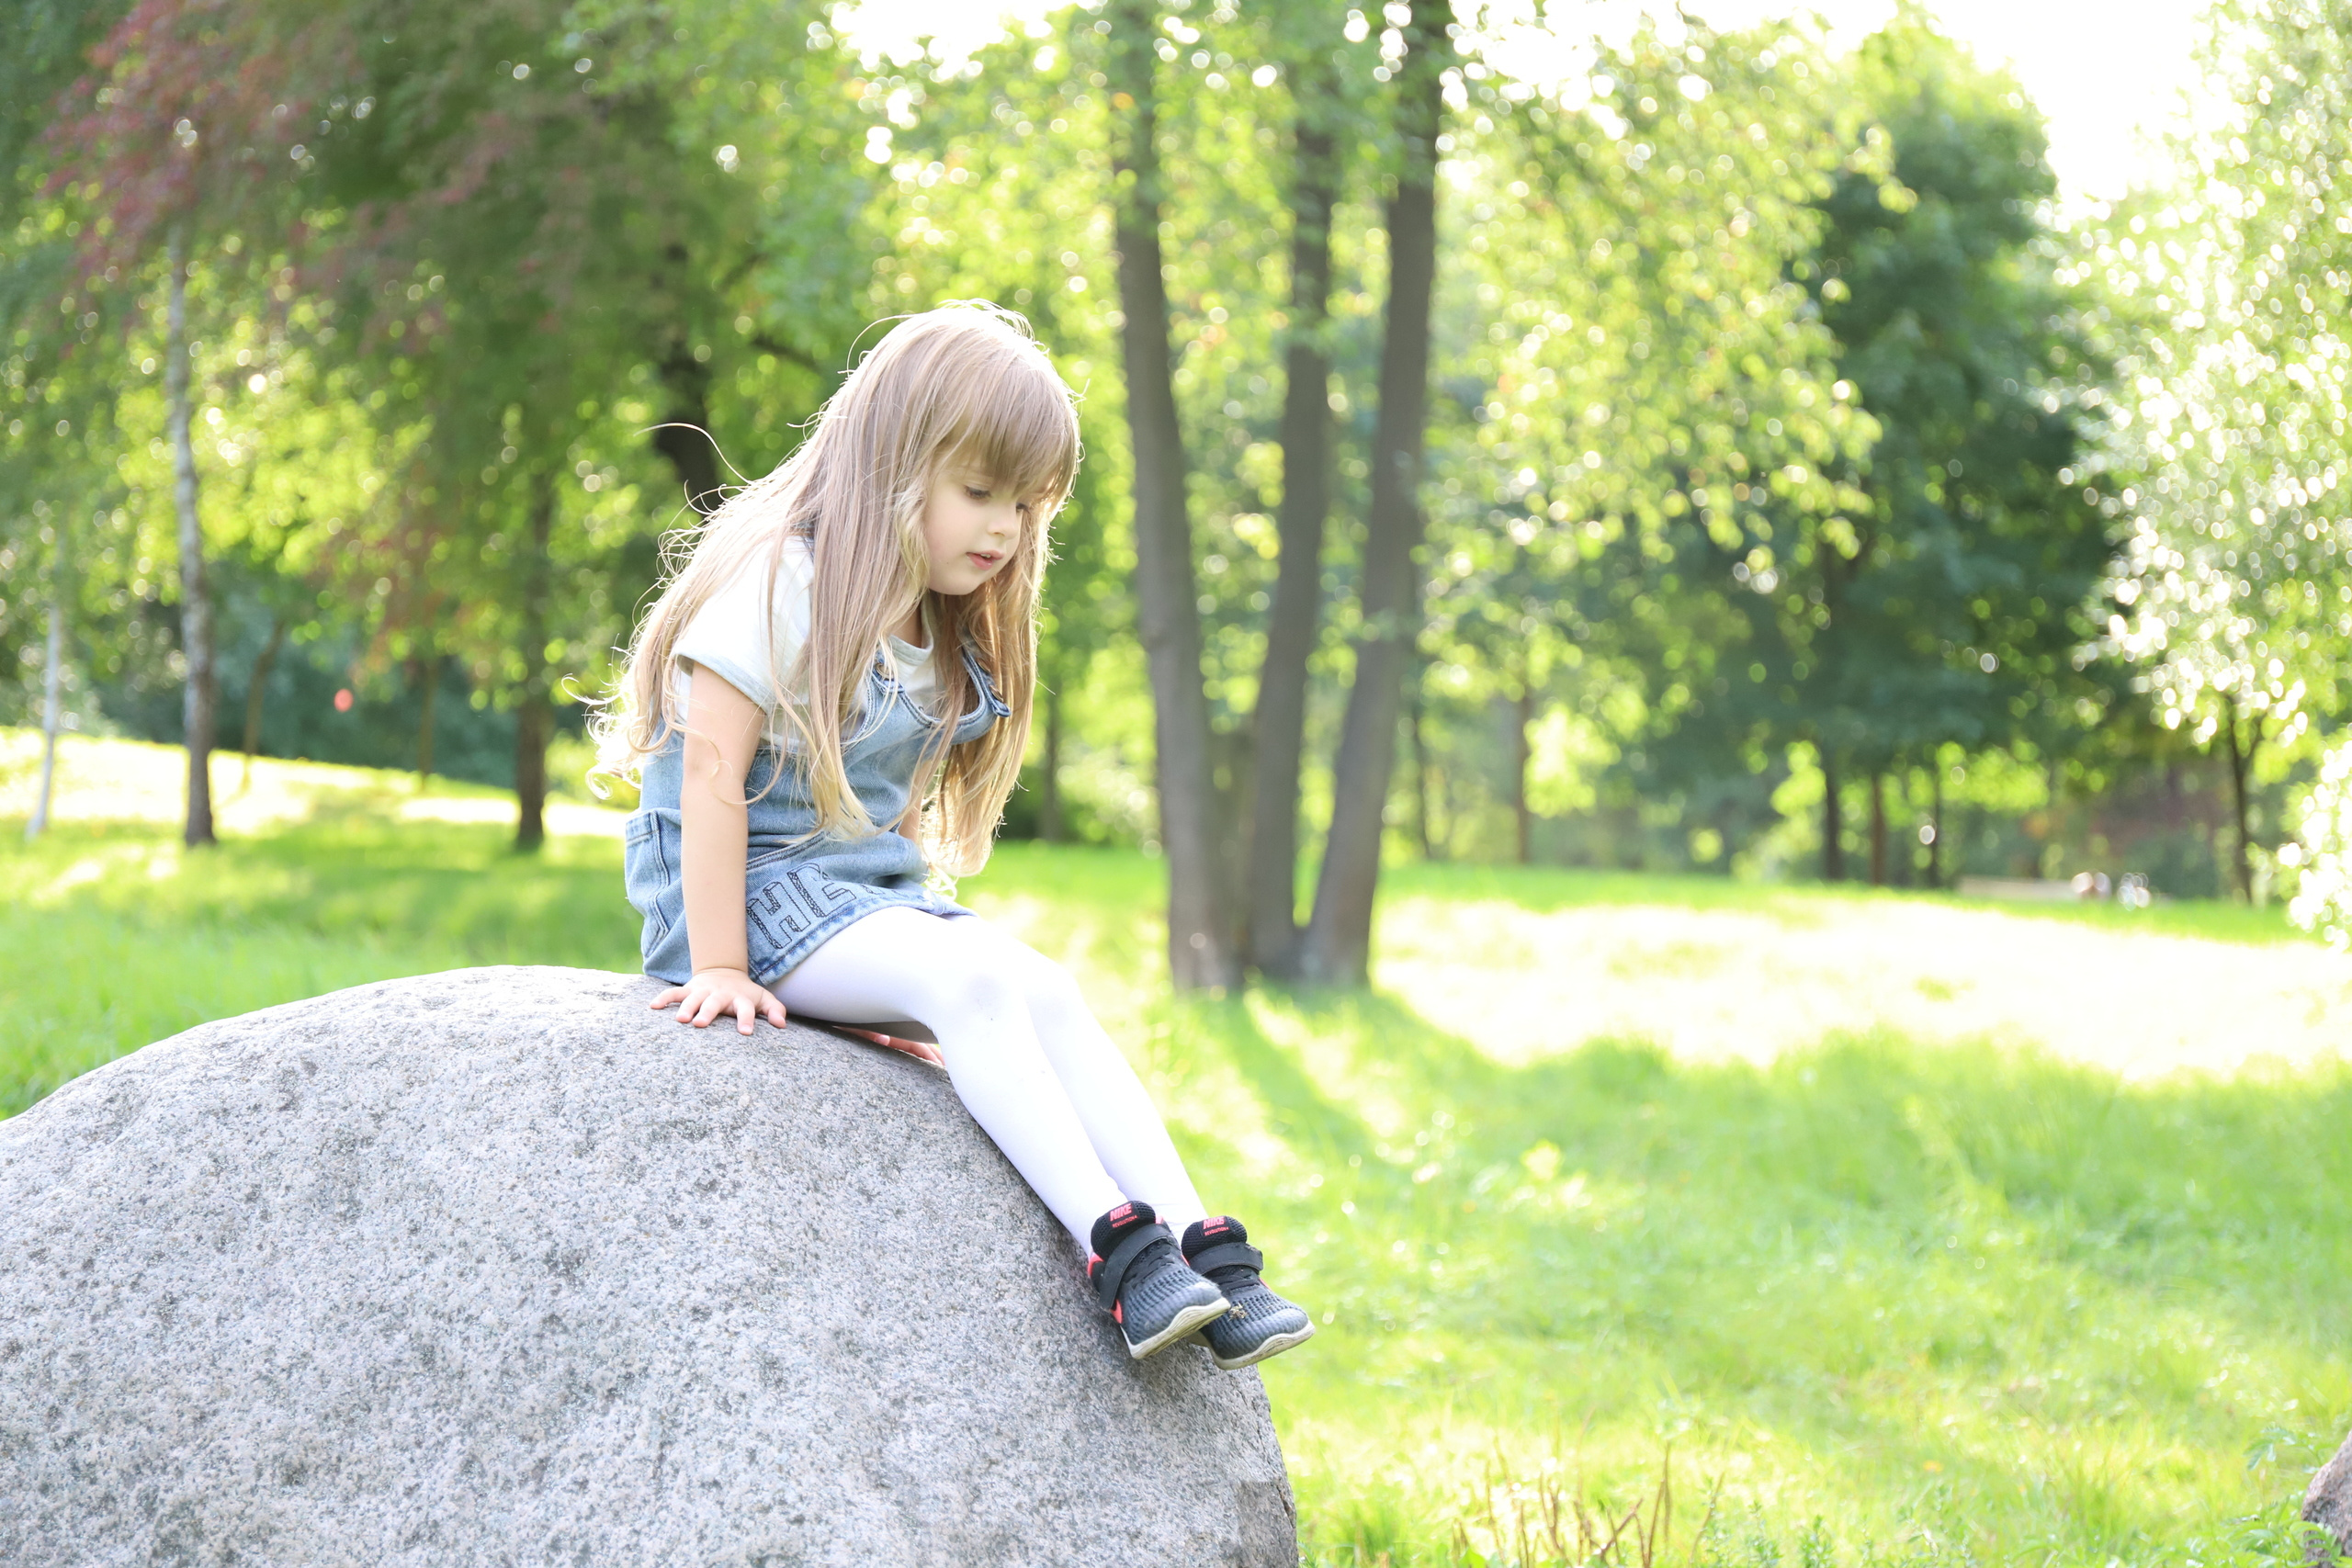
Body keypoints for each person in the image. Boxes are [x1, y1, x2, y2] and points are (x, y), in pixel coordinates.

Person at [595, 302, 1314, 1370]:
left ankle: (1203, 1246)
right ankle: (1120, 1254)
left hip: (859, 897)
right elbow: (707, 777)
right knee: (973, 989)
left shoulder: (931, 622)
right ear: (894, 465)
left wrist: (893, 974)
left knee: (1041, 986)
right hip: (753, 895)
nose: (1005, 529)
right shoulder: (781, 582)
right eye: (979, 492)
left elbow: (880, 816)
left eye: (1025, 504)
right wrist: (720, 965)